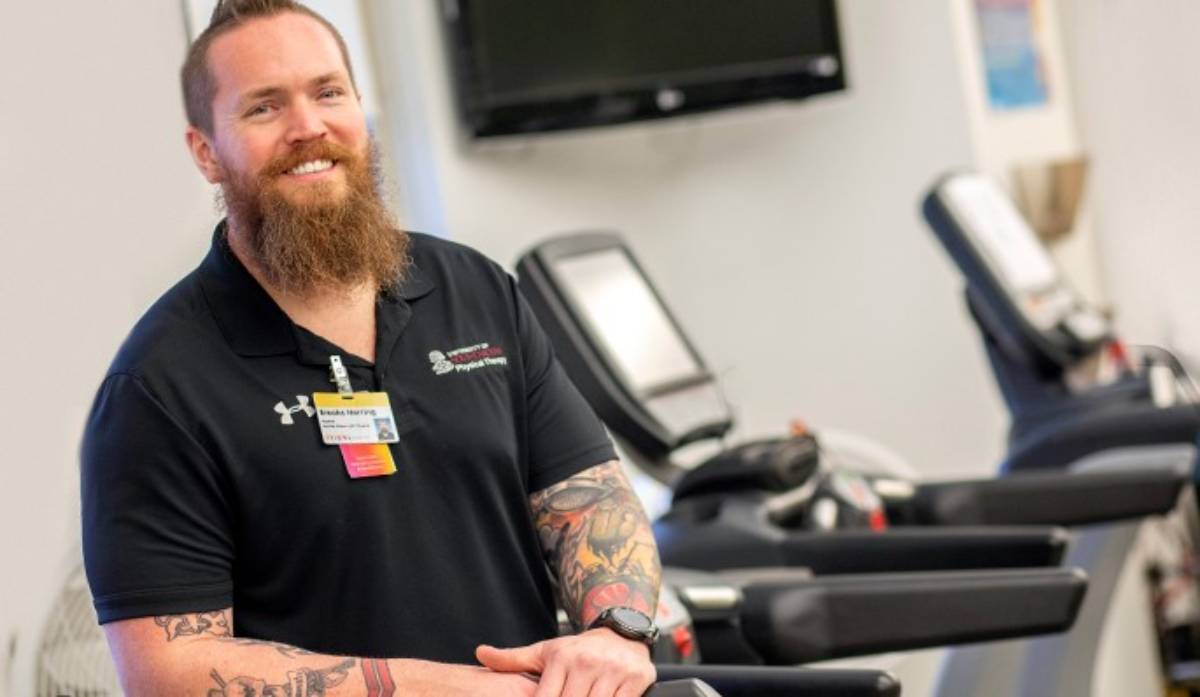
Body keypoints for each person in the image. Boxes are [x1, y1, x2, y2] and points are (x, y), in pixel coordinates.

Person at [80, 1, 662, 695]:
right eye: (264, 108)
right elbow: (167, 673)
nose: (309, 128)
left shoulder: (474, 289)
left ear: (361, 107)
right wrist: (465, 689)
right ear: (206, 151)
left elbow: (589, 495)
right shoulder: (160, 386)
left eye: (328, 92)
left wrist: (615, 632)